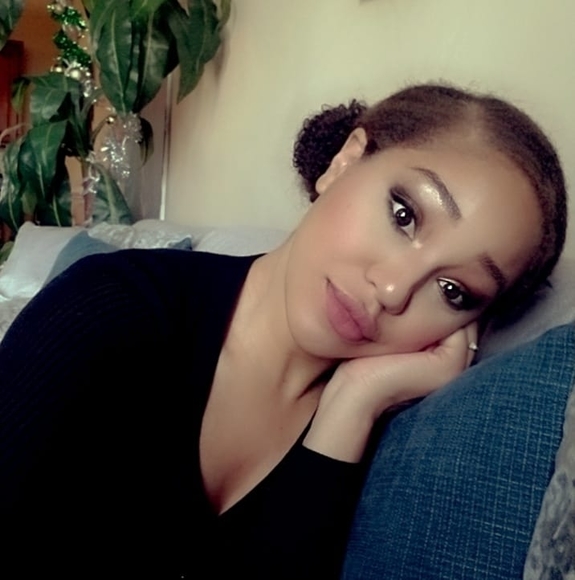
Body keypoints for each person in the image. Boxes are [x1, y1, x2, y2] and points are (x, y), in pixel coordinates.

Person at [0, 83, 567, 579]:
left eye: (453, 291)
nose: (394, 290)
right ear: (344, 162)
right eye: (404, 215)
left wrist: (350, 408)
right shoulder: (110, 304)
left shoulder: (393, 441)